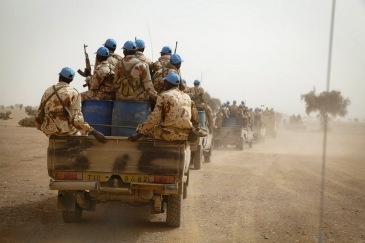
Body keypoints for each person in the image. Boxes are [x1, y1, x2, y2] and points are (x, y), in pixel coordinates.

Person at [35, 67, 105, 143]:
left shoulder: (48, 91)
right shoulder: (73, 93)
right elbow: (76, 119)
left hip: (49, 130)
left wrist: (41, 127)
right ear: (71, 80)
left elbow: (39, 113)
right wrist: (93, 131)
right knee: (84, 135)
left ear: (60, 76)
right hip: (65, 132)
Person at [128, 72, 197, 141]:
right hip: (185, 135)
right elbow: (194, 118)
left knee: (143, 128)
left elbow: (155, 119)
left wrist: (140, 133)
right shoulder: (187, 97)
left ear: (167, 83)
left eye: (165, 82)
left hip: (168, 134)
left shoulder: (164, 95)